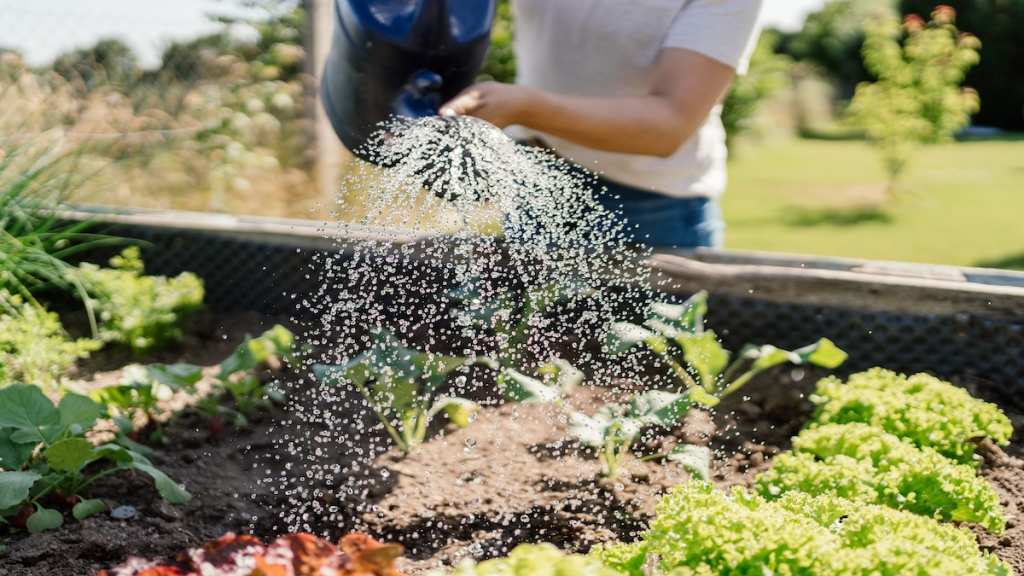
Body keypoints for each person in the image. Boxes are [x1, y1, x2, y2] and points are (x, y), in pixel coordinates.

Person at [440, 0, 765, 249]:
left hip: (646, 209)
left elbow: (668, 126)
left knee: (649, 339)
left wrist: (523, 108)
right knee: (520, 334)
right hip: (534, 181)